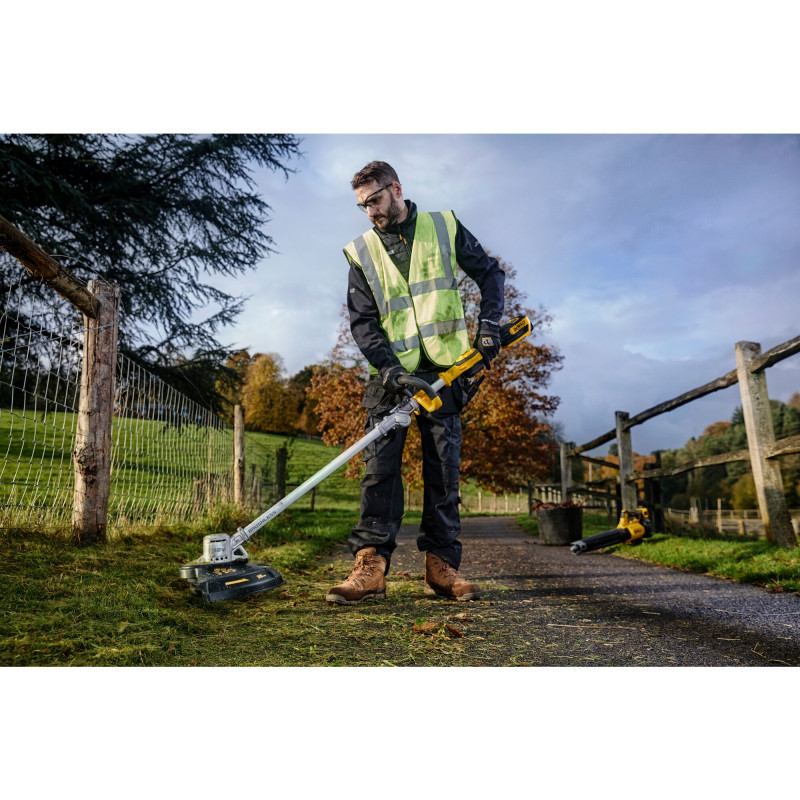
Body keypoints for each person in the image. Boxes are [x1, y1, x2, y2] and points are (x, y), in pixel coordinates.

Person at [325, 161, 505, 605]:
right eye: (362, 206)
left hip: (447, 371)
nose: (370, 211)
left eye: (375, 200)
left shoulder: (444, 227)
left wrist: (488, 325)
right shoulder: (361, 252)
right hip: (392, 377)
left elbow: (490, 274)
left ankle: (441, 566)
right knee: (379, 471)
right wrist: (389, 370)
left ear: (396, 189)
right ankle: (370, 566)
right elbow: (364, 323)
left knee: (444, 471)